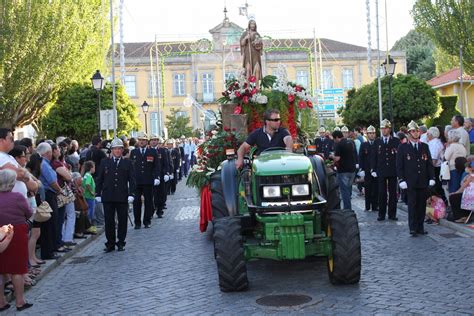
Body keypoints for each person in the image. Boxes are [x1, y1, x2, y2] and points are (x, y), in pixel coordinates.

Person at [0, 169, 34, 311]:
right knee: (17, 269)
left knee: (1, 269)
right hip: (17, 232)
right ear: (12, 182)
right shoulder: (18, 197)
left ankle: (1, 303)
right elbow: (29, 212)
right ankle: (20, 301)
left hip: (0, 232)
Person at [95, 138, 136, 252]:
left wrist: (131, 194)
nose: (117, 151)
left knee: (122, 220)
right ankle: (110, 243)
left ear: (122, 150)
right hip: (108, 195)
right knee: (109, 221)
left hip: (122, 196)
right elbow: (100, 179)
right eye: (115, 149)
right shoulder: (105, 162)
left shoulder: (127, 163)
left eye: (119, 149)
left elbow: (132, 180)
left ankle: (121, 242)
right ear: (112, 150)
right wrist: (98, 193)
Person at [397, 121, 435, 236]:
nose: (415, 133)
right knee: (412, 205)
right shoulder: (403, 147)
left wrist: (431, 177)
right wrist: (401, 179)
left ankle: (420, 227)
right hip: (410, 181)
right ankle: (413, 228)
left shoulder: (424, 146)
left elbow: (428, 164)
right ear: (408, 133)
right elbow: (399, 165)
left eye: (417, 131)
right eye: (413, 131)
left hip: (422, 180)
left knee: (421, 205)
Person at [371, 119, 400, 221]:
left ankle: (392, 214)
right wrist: (373, 169)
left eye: (386, 128)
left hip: (392, 170)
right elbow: (374, 156)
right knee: (381, 193)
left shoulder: (396, 141)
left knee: (393, 193)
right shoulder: (377, 141)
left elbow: (399, 157)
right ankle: (381, 214)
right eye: (382, 128)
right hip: (381, 170)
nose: (384, 130)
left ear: (389, 129)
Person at [129, 133, 160, 229]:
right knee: (136, 201)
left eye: (143, 140)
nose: (141, 141)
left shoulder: (152, 152)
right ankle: (137, 222)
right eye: (140, 140)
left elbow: (156, 166)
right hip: (137, 181)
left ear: (147, 141)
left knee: (148, 201)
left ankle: (147, 221)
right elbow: (130, 167)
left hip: (148, 180)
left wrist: (156, 177)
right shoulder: (134, 152)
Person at [37, 142, 61, 260]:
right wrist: (60, 190)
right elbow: (52, 181)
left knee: (51, 223)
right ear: (48, 153)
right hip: (49, 194)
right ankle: (48, 252)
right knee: (50, 223)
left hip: (49, 194)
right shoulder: (44, 164)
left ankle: (50, 250)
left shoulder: (44, 163)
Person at [330, 130, 357, 210]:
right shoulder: (351, 142)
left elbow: (337, 158)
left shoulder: (339, 145)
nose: (334, 141)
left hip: (343, 171)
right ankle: (348, 208)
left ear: (337, 137)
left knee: (344, 192)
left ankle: (347, 209)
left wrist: (332, 157)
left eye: (334, 139)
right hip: (352, 170)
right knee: (348, 190)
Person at [359, 125, 378, 212]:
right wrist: (361, 168)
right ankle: (367, 206)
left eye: (373, 133)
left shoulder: (378, 144)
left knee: (376, 188)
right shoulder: (364, 145)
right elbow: (361, 157)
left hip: (376, 170)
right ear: (367, 134)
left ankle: (375, 206)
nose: (371, 135)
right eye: (370, 133)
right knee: (368, 188)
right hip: (366, 169)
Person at [240, 19, 263, 86]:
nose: (252, 25)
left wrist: (258, 43)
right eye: (251, 24)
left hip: (256, 53)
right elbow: (242, 43)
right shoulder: (245, 33)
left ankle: (257, 87)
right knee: (248, 69)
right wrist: (246, 38)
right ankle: (248, 87)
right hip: (248, 52)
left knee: (257, 68)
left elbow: (260, 44)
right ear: (249, 25)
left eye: (254, 24)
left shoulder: (257, 34)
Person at [427, 127, 444, 198]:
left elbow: (433, 158)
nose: (427, 135)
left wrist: (429, 170)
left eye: (428, 133)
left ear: (431, 134)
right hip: (436, 167)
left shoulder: (434, 143)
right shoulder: (435, 142)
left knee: (435, 187)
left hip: (435, 168)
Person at [82, 161, 96, 230]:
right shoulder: (89, 176)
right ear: (91, 168)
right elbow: (87, 184)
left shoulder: (85, 175)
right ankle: (89, 226)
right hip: (90, 196)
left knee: (88, 211)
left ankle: (86, 225)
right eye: (94, 167)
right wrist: (92, 192)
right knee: (90, 212)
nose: (94, 169)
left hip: (86, 196)